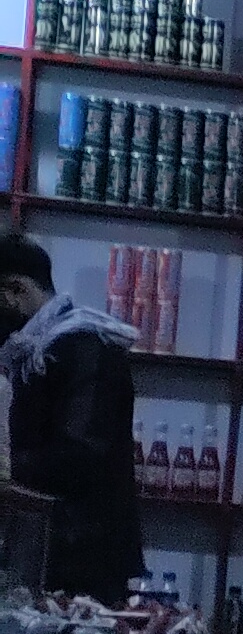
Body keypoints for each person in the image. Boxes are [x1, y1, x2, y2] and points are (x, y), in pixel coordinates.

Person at [0, 233, 141, 603]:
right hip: (41, 551)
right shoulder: (31, 351)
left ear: (15, 290)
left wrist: (6, 469)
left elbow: (80, 453)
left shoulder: (85, 347)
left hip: (82, 563)